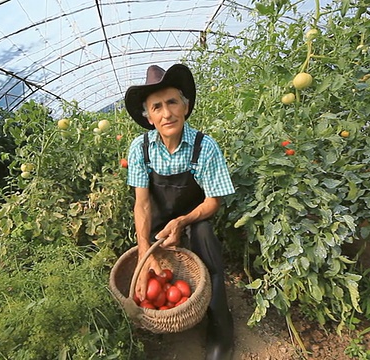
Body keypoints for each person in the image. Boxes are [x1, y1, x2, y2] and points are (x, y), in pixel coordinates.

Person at [124, 63, 235, 360]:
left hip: (194, 216)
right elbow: (142, 203)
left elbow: (213, 202)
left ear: (185, 107)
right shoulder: (140, 148)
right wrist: (145, 246)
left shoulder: (204, 146)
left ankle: (221, 328)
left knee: (205, 238)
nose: (166, 113)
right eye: (156, 107)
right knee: (146, 254)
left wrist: (183, 221)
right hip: (159, 220)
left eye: (172, 102)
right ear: (149, 117)